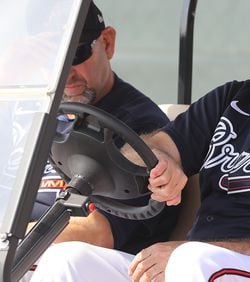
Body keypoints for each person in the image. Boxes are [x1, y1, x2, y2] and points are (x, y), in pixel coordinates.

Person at [32, 0, 250, 281]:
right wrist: (163, 163)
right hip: (202, 268)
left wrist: (196, 252)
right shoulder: (234, 101)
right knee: (69, 260)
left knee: (193, 260)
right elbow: (156, 145)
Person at [27, 0, 179, 278]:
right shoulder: (28, 111)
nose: (65, 71)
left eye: (77, 53)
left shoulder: (142, 126)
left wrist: (13, 235)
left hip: (102, 265)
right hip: (25, 257)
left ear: (107, 43)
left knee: (65, 258)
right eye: (51, 57)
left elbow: (98, 233)